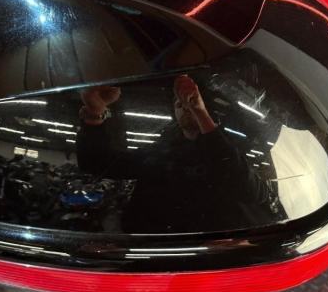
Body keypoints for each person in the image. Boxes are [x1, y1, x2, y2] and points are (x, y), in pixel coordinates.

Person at [76, 75, 273, 232]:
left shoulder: (234, 150)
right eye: (179, 104)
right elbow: (98, 164)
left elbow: (252, 191)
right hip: (153, 255)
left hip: (218, 258)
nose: (184, 107)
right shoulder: (161, 153)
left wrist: (200, 112)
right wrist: (94, 114)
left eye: (190, 102)